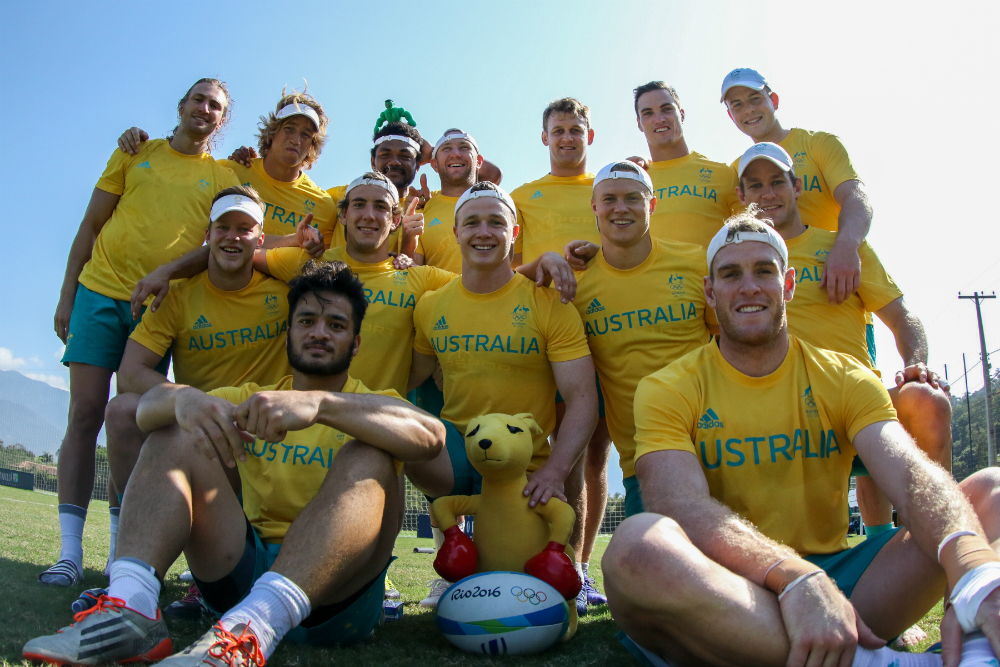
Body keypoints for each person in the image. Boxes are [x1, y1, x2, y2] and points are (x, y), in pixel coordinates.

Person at [603, 213, 1000, 667]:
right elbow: (678, 505)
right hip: (727, 594)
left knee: (991, 491)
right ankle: (877, 663)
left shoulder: (846, 376)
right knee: (635, 546)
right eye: (731, 274)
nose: (749, 286)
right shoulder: (667, 387)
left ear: (788, 283)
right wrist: (795, 577)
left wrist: (973, 569)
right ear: (710, 292)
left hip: (849, 594)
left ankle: (969, 631)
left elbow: (910, 478)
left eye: (764, 271)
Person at [23, 261, 446, 666]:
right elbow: (141, 409)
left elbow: (431, 438)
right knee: (177, 428)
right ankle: (131, 608)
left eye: (335, 325)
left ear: (355, 343)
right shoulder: (252, 397)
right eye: (306, 321)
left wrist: (319, 405)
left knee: (371, 450)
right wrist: (182, 397)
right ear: (287, 333)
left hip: (337, 600)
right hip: (239, 580)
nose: (319, 333)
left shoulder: (375, 405)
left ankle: (257, 625)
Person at [46, 78, 239, 586]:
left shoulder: (223, 174)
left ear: (222, 121)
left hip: (158, 307)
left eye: (215, 106)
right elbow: (90, 225)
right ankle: (68, 553)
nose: (205, 109)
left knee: (128, 419)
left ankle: (118, 553)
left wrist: (167, 274)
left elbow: (220, 242)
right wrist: (68, 296)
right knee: (85, 414)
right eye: (198, 99)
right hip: (98, 292)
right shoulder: (134, 151)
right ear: (181, 106)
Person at [735, 142, 952, 542]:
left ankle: (941, 554)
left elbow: (905, 319)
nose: (767, 194)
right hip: (778, 411)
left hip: (857, 403)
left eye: (776, 182)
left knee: (927, 400)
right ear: (741, 197)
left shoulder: (841, 247)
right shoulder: (736, 264)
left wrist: (916, 363)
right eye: (755, 185)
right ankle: (870, 545)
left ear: (796, 186)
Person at [405, 181, 598, 608]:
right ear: (455, 233)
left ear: (514, 234)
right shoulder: (431, 305)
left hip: (525, 472)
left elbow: (583, 398)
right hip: (457, 459)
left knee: (528, 594)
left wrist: (555, 472)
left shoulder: (549, 303)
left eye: (497, 222)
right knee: (402, 439)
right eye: (472, 222)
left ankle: (575, 571)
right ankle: (448, 556)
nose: (483, 232)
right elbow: (406, 377)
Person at [104, 186, 291, 615]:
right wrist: (189, 399)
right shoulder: (180, 294)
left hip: (261, 439)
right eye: (223, 227)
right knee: (119, 413)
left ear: (260, 239)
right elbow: (130, 373)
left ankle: (201, 567)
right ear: (207, 234)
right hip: (199, 432)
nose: (232, 237)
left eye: (244, 229)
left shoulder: (284, 291)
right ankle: (126, 561)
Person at [509, 98, 612, 613]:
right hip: (536, 337)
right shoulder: (523, 197)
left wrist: (600, 254)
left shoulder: (608, 191)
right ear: (544, 138)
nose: (567, 138)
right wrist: (545, 263)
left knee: (591, 454)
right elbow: (508, 271)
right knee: (536, 446)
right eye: (558, 131)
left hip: (600, 333)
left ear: (589, 137)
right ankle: (527, 555)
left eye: (576, 130)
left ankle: (579, 567)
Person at [571, 161, 716, 524]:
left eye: (633, 198)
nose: (621, 207)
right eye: (610, 199)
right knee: (640, 572)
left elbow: (734, 345)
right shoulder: (577, 288)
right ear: (594, 207)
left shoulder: (696, 262)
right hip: (644, 462)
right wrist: (544, 260)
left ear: (651, 205)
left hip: (722, 452)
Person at [720, 68, 873, 306]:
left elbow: (856, 197)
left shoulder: (819, 144)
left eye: (755, 99)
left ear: (774, 100)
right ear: (730, 115)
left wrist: (846, 246)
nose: (748, 110)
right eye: (737, 105)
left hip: (837, 290)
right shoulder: (735, 171)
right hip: (776, 301)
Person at [117, 88, 335, 254]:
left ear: (313, 145)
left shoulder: (324, 207)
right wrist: (137, 139)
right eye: (288, 129)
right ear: (272, 133)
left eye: (306, 135)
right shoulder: (229, 172)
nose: (296, 140)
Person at [629, 81, 740, 249]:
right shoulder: (633, 181)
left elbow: (750, 236)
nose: (659, 119)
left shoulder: (725, 174)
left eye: (667, 109)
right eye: (648, 113)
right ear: (639, 124)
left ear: (681, 114)